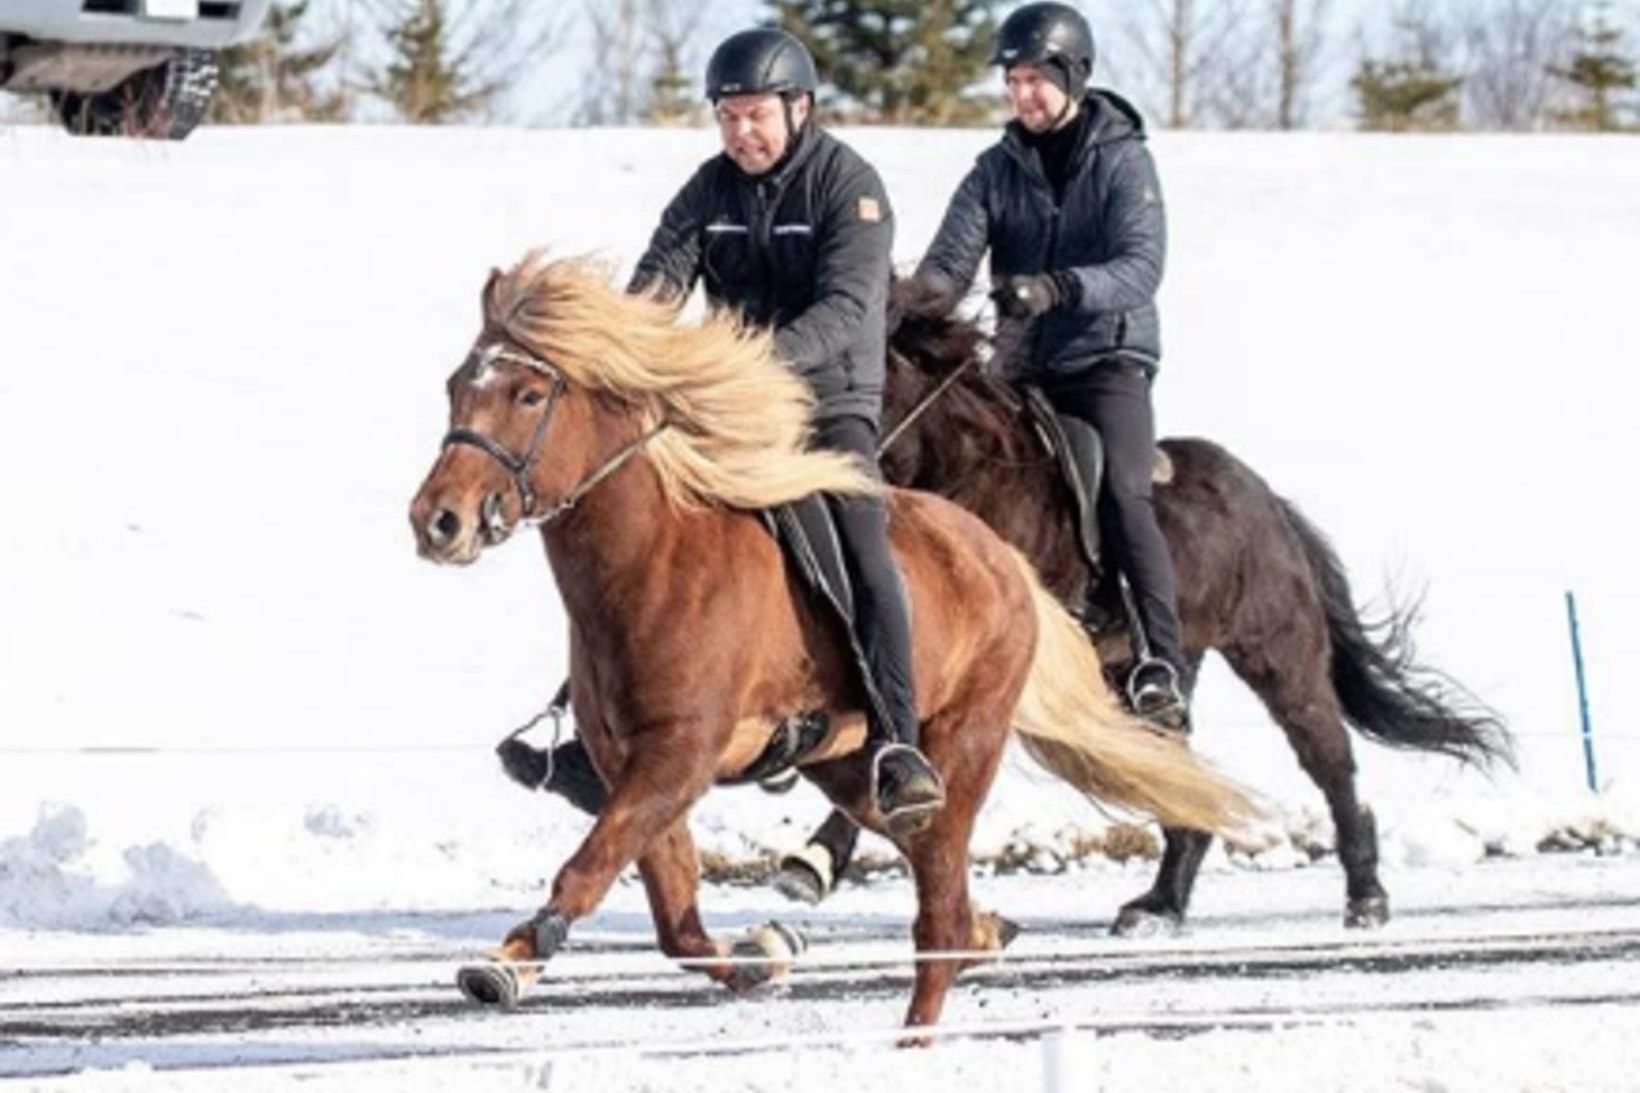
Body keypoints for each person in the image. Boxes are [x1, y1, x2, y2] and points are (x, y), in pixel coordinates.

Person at [514, 28, 943, 826]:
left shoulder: (851, 187)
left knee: (863, 544)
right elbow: (655, 291)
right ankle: (586, 726)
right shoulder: (706, 192)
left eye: (756, 116)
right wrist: (612, 350)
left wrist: (747, 360)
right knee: (632, 533)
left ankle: (896, 738)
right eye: (728, 117)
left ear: (799, 108)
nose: (742, 132)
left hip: (826, 407)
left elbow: (849, 312)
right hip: (727, 411)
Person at [909, 1, 1188, 724]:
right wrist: (904, 304)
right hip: (1022, 364)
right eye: (1014, 79)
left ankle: (1161, 657)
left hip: (1106, 358)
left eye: (1037, 78)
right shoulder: (995, 171)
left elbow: (1140, 266)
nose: (1024, 94)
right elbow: (947, 266)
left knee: (1123, 489)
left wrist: (1059, 286)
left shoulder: (1125, 159)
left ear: (1074, 76)